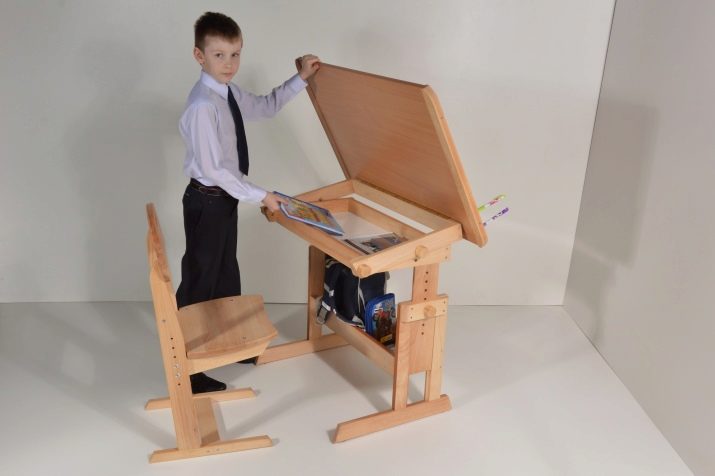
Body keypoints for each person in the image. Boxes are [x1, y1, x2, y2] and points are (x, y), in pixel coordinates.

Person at [176, 11, 320, 393]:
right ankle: (188, 369)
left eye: (235, 54)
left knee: (226, 273)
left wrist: (301, 79)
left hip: (224, 200)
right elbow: (216, 170)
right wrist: (262, 195)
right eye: (219, 55)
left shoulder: (229, 93)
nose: (229, 63)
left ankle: (229, 345)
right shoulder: (202, 105)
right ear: (199, 55)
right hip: (207, 201)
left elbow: (267, 105)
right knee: (200, 282)